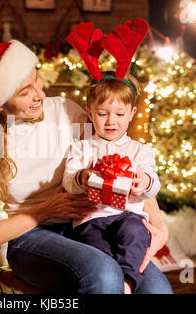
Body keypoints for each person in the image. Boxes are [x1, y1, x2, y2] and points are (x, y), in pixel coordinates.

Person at [0, 38, 173, 293]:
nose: (40, 94)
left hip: (92, 224)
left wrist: (160, 228)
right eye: (25, 92)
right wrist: (43, 211)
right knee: (103, 273)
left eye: (37, 79)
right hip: (32, 238)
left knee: (156, 290)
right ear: (0, 102)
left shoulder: (66, 111)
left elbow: (120, 162)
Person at [63, 70, 160, 294]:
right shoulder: (82, 148)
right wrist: (82, 177)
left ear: (132, 113)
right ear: (89, 113)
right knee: (99, 255)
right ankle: (110, 283)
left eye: (119, 114)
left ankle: (127, 284)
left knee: (136, 233)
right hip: (91, 219)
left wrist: (144, 181)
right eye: (102, 113)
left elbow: (153, 185)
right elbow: (68, 181)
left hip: (129, 216)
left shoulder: (140, 151)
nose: (110, 121)